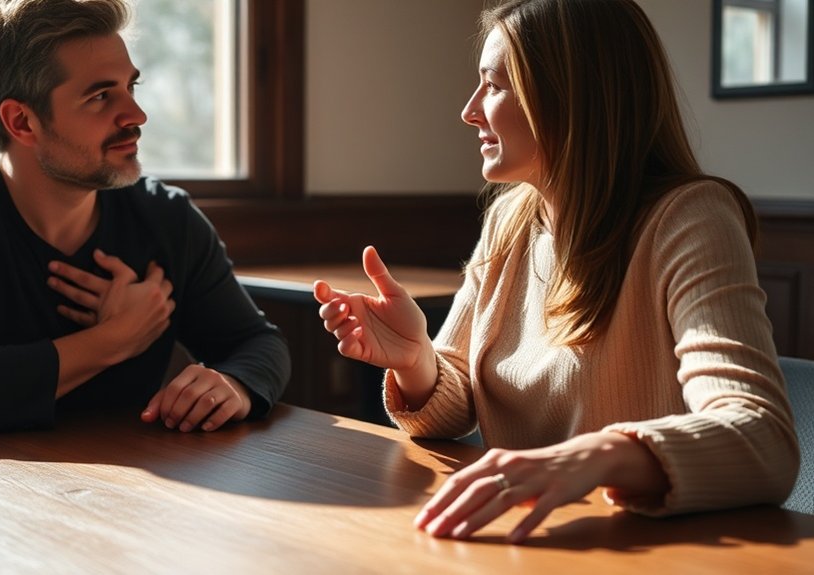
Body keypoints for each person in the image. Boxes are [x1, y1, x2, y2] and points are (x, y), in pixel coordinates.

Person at [314, 0, 799, 545]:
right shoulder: (510, 217)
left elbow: (764, 441)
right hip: (521, 540)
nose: (469, 111)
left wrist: (596, 456)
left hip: (641, 548)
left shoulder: (690, 218)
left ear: (572, 97)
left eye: (494, 86)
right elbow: (451, 410)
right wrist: (416, 360)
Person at [0, 0, 290, 440]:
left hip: (112, 492)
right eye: (101, 96)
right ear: (22, 121)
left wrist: (234, 386)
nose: (137, 117)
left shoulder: (167, 217)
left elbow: (257, 344)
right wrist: (114, 340)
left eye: (131, 88)